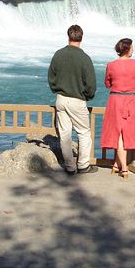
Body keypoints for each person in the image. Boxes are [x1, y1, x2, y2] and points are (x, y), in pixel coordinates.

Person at [100, 38, 135, 179]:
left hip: (115, 100)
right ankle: (124, 169)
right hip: (132, 100)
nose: (133, 50)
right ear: (127, 49)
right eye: (132, 47)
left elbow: (107, 84)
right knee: (126, 133)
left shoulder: (111, 65)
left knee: (117, 133)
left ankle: (117, 165)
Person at [48, 25, 98, 175]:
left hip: (61, 99)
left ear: (68, 36)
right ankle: (83, 165)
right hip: (77, 100)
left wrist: (56, 90)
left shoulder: (58, 54)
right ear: (81, 38)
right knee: (83, 132)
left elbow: (51, 78)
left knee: (64, 134)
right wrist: (87, 96)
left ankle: (70, 167)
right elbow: (91, 84)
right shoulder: (84, 58)